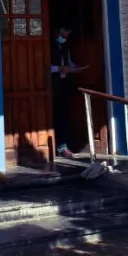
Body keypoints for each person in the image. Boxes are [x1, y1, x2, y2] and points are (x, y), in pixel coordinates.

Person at [50, 26, 78, 159]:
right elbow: (42, 65)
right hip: (51, 85)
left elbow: (69, 61)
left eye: (67, 36)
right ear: (57, 32)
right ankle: (54, 146)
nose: (65, 39)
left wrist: (73, 68)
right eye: (63, 35)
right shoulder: (48, 45)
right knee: (54, 116)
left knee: (64, 116)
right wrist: (58, 68)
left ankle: (63, 146)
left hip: (63, 84)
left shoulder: (65, 46)